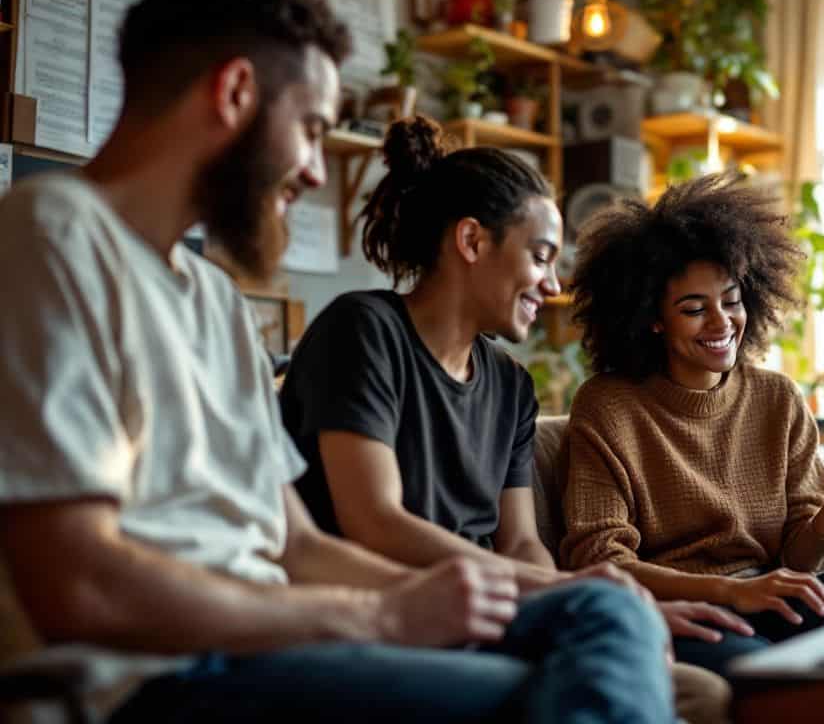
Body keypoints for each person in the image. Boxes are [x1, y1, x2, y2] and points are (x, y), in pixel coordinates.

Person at [0, 0, 670, 722]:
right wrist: (380, 618)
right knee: (553, 694)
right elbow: (78, 584)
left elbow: (298, 547)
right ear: (235, 93)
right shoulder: (50, 235)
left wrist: (470, 593)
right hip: (162, 677)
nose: (318, 172)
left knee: (608, 613)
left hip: (276, 643)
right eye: (313, 129)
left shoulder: (214, 300)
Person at [278, 118, 733, 722]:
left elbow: (520, 541)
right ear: (472, 241)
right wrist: (560, 594)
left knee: (700, 689)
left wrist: (553, 600)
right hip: (391, 603)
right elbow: (375, 523)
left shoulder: (511, 385)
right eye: (540, 256)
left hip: (486, 607)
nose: (552, 282)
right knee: (618, 626)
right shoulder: (363, 332)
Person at [559, 173, 824, 675]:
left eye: (731, 300)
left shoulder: (776, 397)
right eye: (693, 309)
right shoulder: (608, 405)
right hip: (689, 608)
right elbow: (602, 560)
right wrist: (733, 591)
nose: (722, 323)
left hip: (768, 596)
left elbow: (804, 559)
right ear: (653, 318)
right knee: (759, 664)